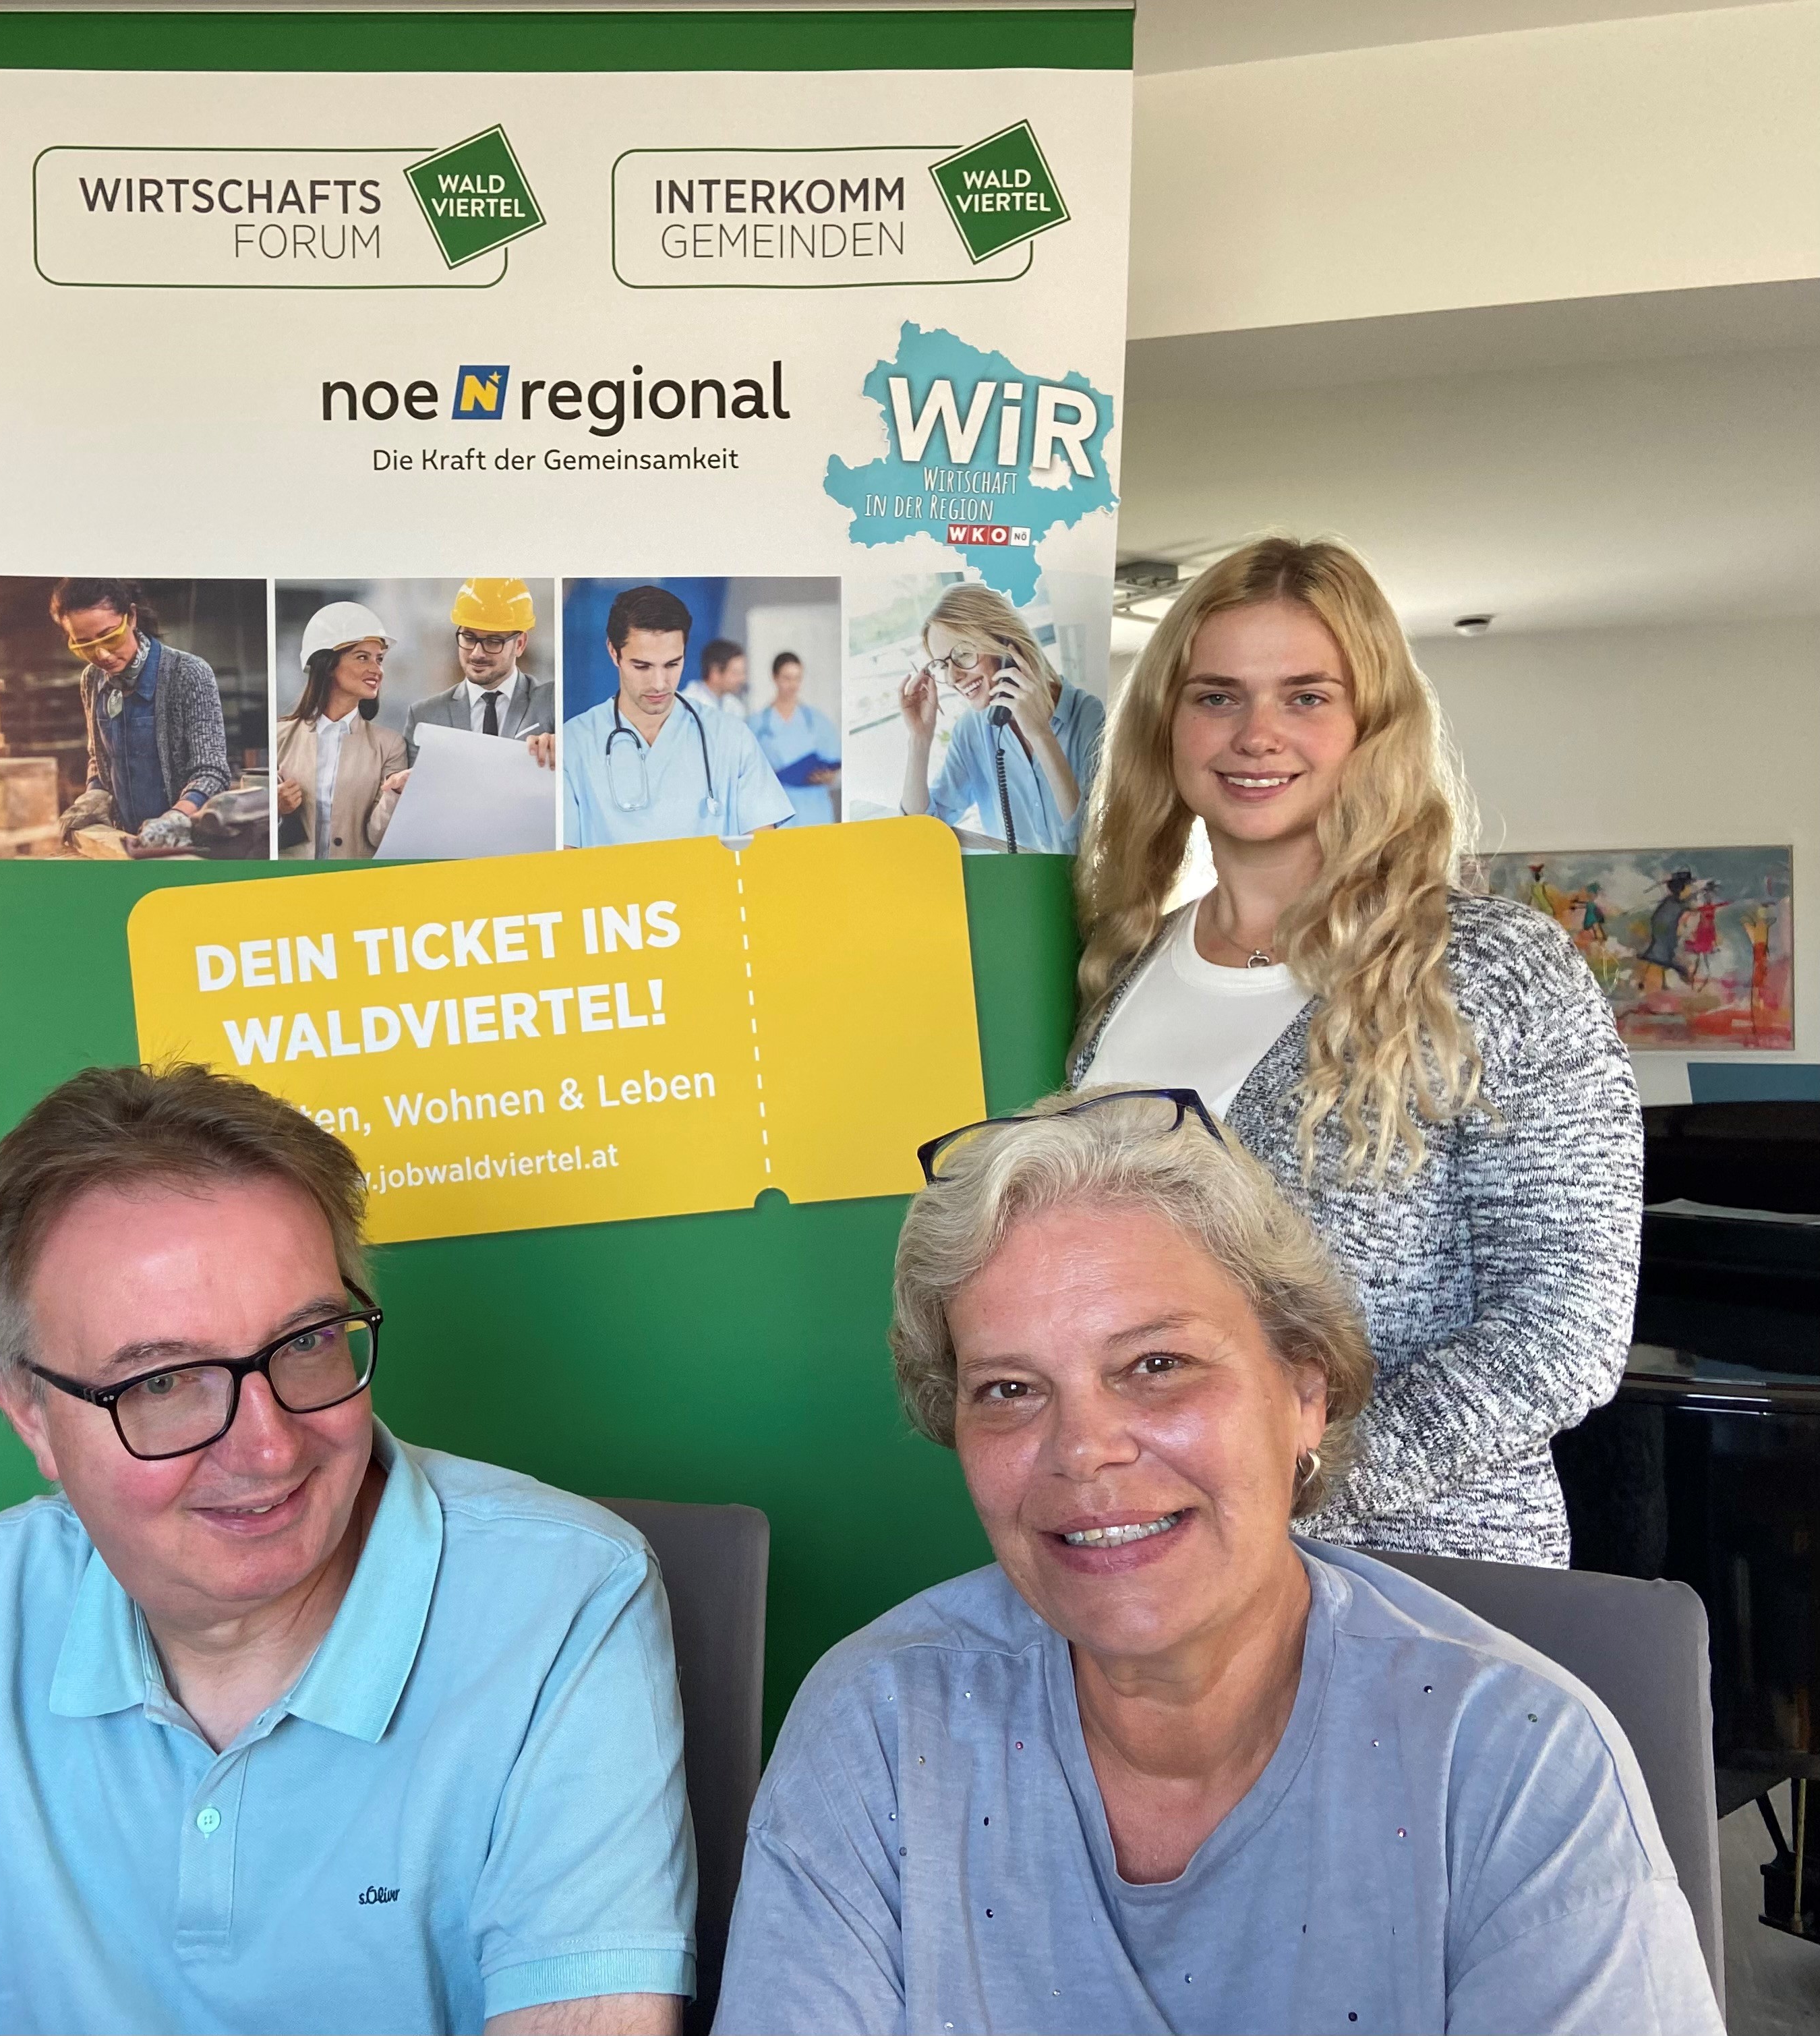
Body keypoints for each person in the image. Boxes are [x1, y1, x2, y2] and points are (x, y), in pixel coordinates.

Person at [712, 1089, 1720, 2036]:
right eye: (1009, 1388)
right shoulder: (880, 1723)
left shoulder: (1513, 1759)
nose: (1083, 1449)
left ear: (1305, 1394)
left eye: (1157, 1364)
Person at [0, 1065, 694, 2036]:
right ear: (30, 1414)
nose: (269, 1447)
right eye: (164, 1382)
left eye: (307, 1342)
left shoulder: (566, 1602)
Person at [1069, 536, 1641, 1567]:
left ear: (1373, 723)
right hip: (1156, 1569)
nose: (1256, 734)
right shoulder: (1125, 967)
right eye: (1216, 696)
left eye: (1306, 696)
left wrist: (1287, 1481)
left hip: (1422, 1580)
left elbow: (1565, 1326)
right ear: (1166, 723)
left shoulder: (1492, 966)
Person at [562, 587, 792, 846]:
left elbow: (763, 850)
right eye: (642, 666)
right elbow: (563, 861)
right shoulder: (574, 744)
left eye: (672, 664)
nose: (659, 684)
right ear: (614, 652)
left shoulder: (732, 737)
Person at [896, 583, 1104, 854]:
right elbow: (918, 835)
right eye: (943, 665)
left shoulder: (1090, 716)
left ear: (1007, 646)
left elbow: (1091, 846)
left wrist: (1041, 735)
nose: (953, 677)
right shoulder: (971, 731)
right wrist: (919, 740)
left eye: (963, 655)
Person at [51, 578, 230, 852]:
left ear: (131, 617)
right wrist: (94, 794)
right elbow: (99, 758)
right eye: (84, 645)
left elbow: (212, 771)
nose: (102, 654)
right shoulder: (92, 680)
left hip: (185, 848)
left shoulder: (188, 673)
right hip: (123, 842)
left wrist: (176, 818)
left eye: (109, 636)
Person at [276, 600, 409, 859]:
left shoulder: (390, 746)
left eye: (379, 659)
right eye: (363, 657)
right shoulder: (279, 737)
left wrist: (395, 792)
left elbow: (378, 837)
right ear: (328, 665)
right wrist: (275, 808)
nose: (377, 670)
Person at [403, 579, 558, 769]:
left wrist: (564, 749)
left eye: (493, 642)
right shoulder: (425, 716)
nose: (477, 653)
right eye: (469, 638)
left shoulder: (552, 702)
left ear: (519, 644)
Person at [747, 652, 840, 827]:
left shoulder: (817, 720)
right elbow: (747, 771)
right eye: (787, 678)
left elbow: (834, 761)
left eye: (797, 679)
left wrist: (828, 776)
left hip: (815, 808)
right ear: (775, 678)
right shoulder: (757, 723)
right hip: (776, 808)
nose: (793, 685)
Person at [680, 638, 749, 718]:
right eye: (735, 673)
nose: (742, 679)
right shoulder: (687, 705)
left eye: (743, 673)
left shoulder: (734, 705)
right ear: (715, 673)